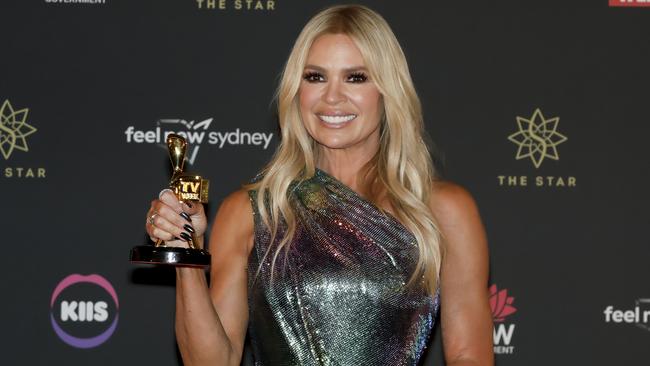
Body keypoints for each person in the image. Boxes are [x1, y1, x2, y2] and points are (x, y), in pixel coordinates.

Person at [145, 4, 493, 366]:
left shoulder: (443, 210)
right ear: (296, 90)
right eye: (315, 77)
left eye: (356, 77)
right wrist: (186, 255)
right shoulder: (252, 211)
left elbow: (470, 356)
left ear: (388, 90)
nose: (332, 97)